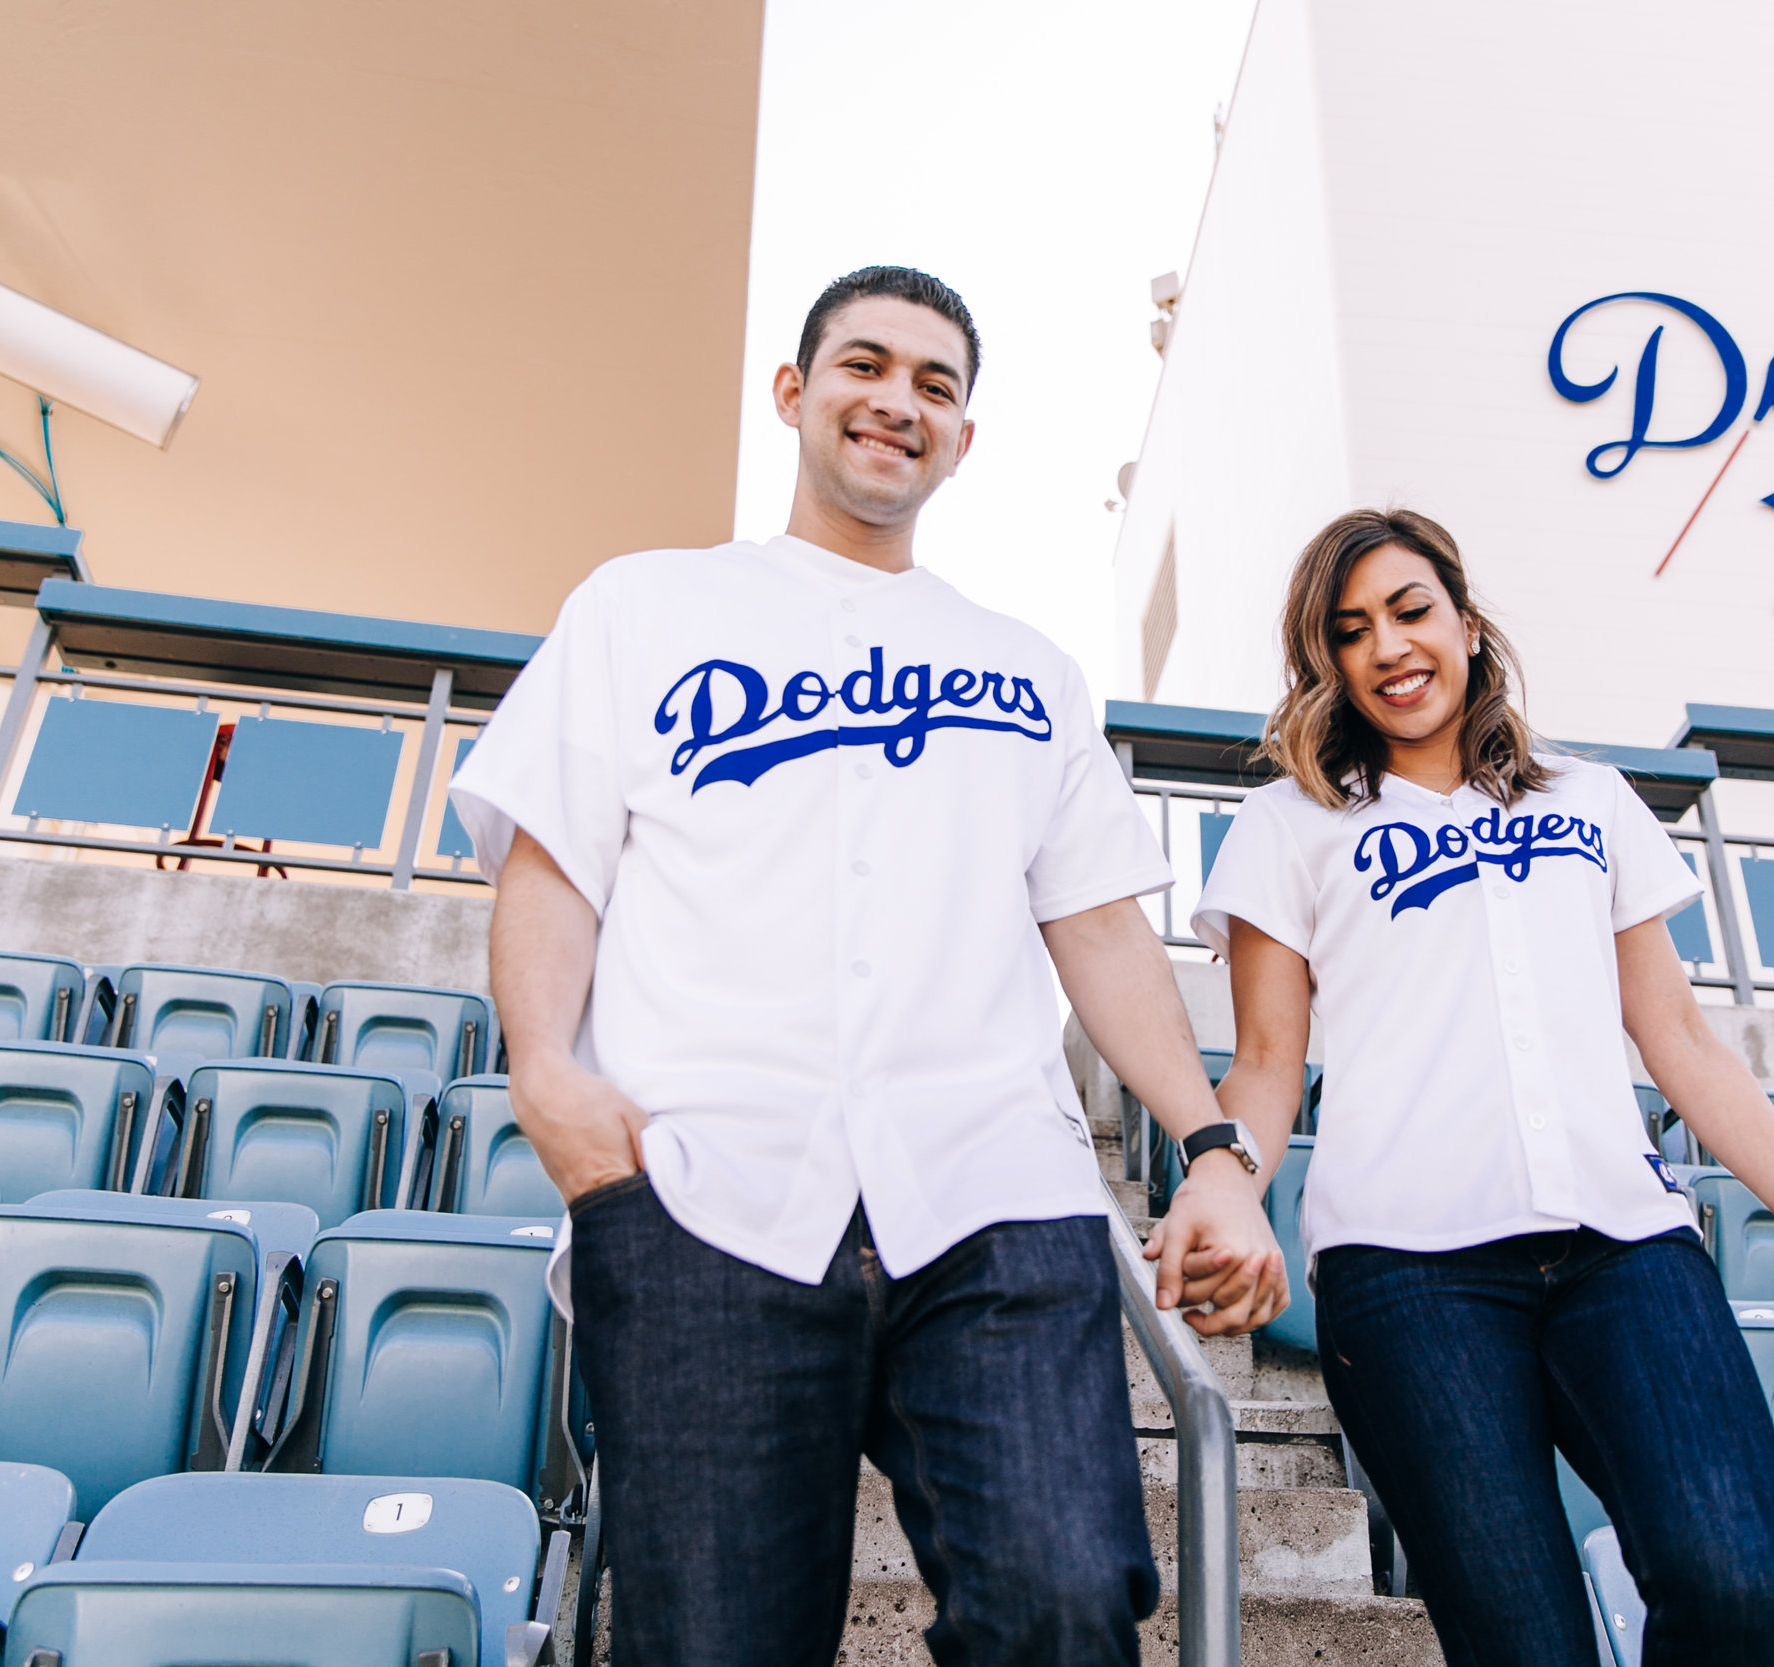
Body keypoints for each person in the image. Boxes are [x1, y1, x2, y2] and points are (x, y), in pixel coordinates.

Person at [448, 266, 1289, 1667]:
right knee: (710, 1641)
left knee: (1066, 1600)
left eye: (936, 386)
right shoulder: (643, 605)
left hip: (993, 1191)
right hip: (704, 1173)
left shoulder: (1028, 667)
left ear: (964, 438)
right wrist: (548, 1079)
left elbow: (1099, 926)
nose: (898, 400)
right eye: (865, 364)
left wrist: (1209, 1144)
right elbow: (552, 862)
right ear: (795, 391)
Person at [1191, 507, 1774, 1667]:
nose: (1386, 645)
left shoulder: (1587, 797)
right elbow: (1267, 1061)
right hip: (1407, 1279)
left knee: (1739, 1588)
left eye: (1409, 609)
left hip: (1623, 1248)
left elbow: (1679, 1037)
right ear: (1324, 663)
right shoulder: (1291, 826)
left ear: (1468, 626)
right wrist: (1227, 1180)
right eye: (1349, 630)